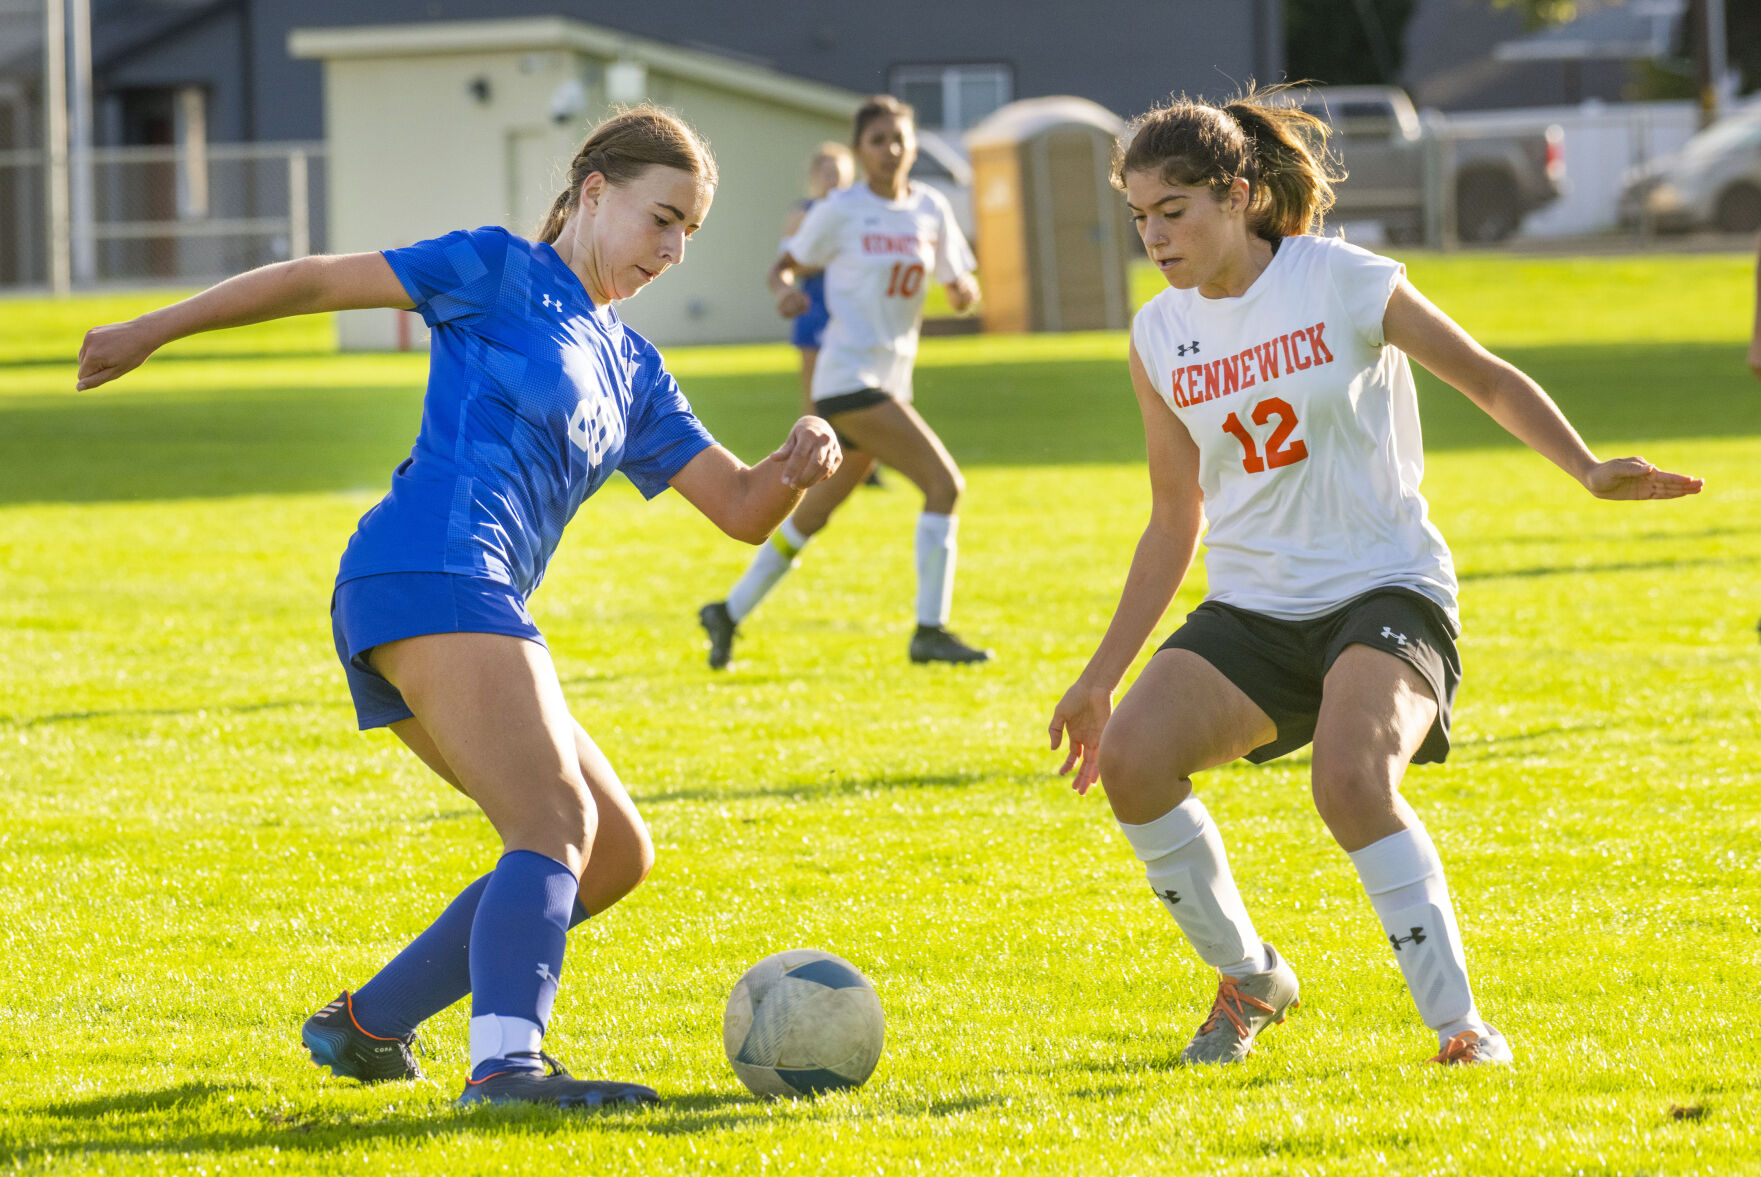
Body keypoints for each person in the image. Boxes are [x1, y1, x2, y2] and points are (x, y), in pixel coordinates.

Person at [75, 106, 841, 1109]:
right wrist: (150, 328)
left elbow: (741, 508)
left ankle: (365, 1024)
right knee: (552, 819)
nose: (673, 249)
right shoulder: (492, 269)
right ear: (594, 191)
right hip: (429, 570)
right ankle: (506, 1068)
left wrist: (796, 461)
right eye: (662, 219)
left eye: (690, 231)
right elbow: (315, 281)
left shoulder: (635, 369)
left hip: (460, 597)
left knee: (610, 851)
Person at [1047, 89, 1702, 1068]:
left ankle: (1463, 1030)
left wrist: (1588, 467)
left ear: (1235, 194)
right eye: (1139, 217)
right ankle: (1251, 976)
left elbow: (1484, 375)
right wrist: (1102, 674)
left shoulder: (1341, 280)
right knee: (1135, 763)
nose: (1154, 236)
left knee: (1350, 779)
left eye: (1171, 212)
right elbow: (1175, 514)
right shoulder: (1158, 337)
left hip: (1384, 588)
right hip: (1255, 607)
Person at [698, 95, 991, 669]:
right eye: (879, 140)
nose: (892, 150)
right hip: (847, 378)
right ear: (861, 148)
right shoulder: (840, 209)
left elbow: (960, 279)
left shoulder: (930, 208)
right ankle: (929, 632)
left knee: (810, 515)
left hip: (889, 380)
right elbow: (785, 264)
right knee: (944, 485)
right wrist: (785, 288)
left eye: (901, 139)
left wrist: (964, 292)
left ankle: (727, 612)